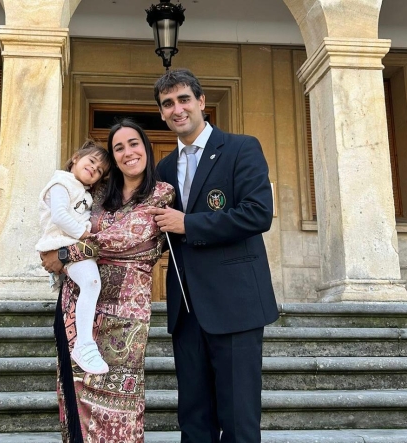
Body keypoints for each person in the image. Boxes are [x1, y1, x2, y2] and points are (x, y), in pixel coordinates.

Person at [148, 68, 279, 443]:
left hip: (235, 305)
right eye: (168, 104)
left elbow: (258, 213)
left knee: (238, 421)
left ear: (202, 102)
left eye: (184, 99)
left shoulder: (241, 147)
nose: (177, 109)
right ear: (161, 112)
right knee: (194, 419)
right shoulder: (164, 167)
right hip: (186, 309)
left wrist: (190, 224)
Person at [41, 119, 174, 442]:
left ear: (146, 148)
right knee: (73, 396)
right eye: (118, 147)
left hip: (127, 313)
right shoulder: (97, 192)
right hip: (77, 306)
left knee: (120, 406)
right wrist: (57, 251)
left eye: (134, 143)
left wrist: (61, 256)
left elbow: (130, 237)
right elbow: (57, 219)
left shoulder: (161, 193)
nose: (128, 152)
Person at [35, 140, 111, 374]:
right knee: (90, 283)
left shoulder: (85, 192)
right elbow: (58, 216)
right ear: (76, 158)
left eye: (99, 171)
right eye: (91, 162)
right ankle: (84, 344)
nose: (94, 170)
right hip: (62, 242)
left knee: (91, 284)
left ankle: (84, 343)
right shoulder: (61, 183)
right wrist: (85, 235)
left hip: (72, 244)